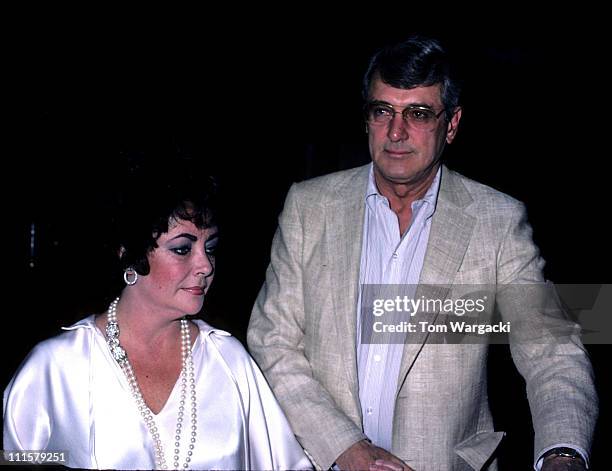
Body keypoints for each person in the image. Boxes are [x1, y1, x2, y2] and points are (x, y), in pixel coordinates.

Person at [247, 35, 597, 471]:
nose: (396, 132)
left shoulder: (497, 221)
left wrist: (562, 453)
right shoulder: (309, 207)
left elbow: (551, 346)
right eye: (383, 111)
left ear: (451, 125)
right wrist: (345, 448)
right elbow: (271, 341)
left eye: (418, 113)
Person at [4, 160, 312, 470]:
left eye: (211, 247)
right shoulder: (56, 368)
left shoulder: (229, 361)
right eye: (182, 249)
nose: (205, 265)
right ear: (130, 254)